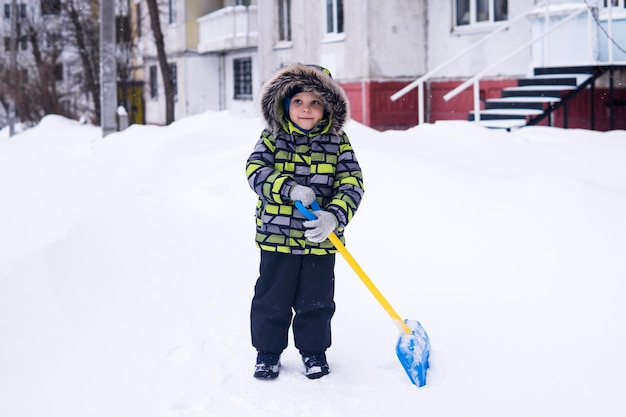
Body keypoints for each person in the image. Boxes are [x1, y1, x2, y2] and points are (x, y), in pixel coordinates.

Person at [245, 63, 365, 380]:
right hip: (277, 238)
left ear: (328, 105)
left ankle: (313, 352)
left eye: (315, 102)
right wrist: (289, 188)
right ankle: (268, 353)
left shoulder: (338, 141)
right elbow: (255, 172)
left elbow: (351, 183)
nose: (307, 109)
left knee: (317, 301)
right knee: (273, 300)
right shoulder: (272, 137)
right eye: (298, 101)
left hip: (321, 239)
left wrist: (334, 216)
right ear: (285, 104)